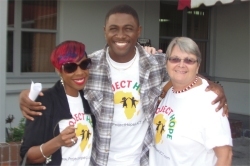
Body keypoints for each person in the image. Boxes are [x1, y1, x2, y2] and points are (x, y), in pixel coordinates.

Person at [19, 4, 228, 166]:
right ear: (104, 31)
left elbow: (183, 70)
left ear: (138, 31)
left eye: (128, 29)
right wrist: (29, 94)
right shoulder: (90, 65)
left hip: (142, 160)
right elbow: (67, 82)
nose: (120, 35)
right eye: (114, 29)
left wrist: (210, 86)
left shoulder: (156, 64)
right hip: (101, 160)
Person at [149, 37, 232, 166]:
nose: (181, 64)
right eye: (175, 59)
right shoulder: (168, 91)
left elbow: (225, 156)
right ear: (167, 63)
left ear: (198, 66)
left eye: (189, 60)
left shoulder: (210, 102)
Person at [20, 41, 94, 165]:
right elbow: (28, 155)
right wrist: (58, 142)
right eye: (70, 67)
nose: (80, 72)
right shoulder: (44, 102)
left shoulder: (90, 99)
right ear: (58, 70)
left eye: (84, 64)